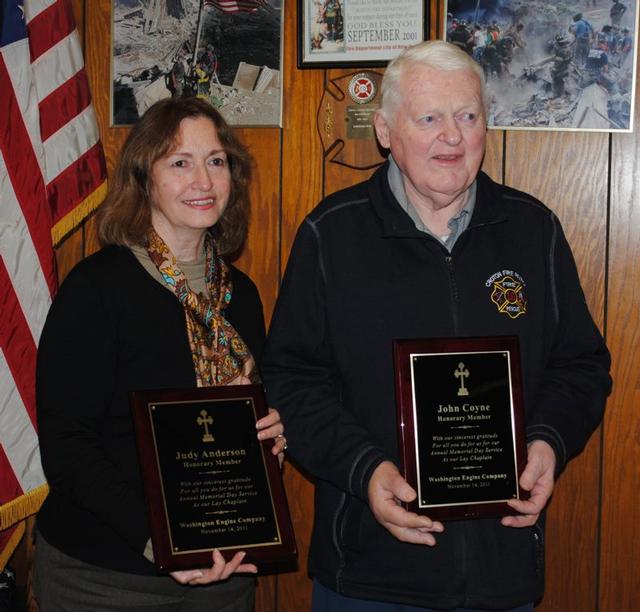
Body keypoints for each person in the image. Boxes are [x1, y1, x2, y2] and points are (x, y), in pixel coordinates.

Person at [262, 40, 611, 611]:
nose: (452, 136)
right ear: (385, 131)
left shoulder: (533, 229)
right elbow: (292, 379)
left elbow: (581, 364)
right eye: (429, 118)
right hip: (370, 575)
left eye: (467, 116)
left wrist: (549, 442)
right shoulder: (332, 235)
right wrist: (365, 470)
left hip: (502, 572)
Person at [34, 97, 287, 612]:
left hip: (225, 572)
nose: (204, 180)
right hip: (105, 580)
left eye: (216, 161)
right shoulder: (96, 288)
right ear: (143, 179)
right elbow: (67, 447)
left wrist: (268, 444)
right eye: (179, 162)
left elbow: (239, 421)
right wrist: (160, 541)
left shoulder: (241, 294)